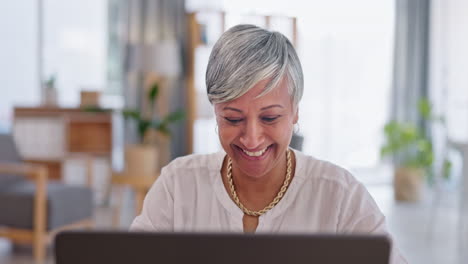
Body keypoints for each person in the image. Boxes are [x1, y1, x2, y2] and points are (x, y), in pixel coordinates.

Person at [130, 24, 407, 263]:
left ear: (295, 111)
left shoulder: (339, 195)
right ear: (215, 111)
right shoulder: (178, 185)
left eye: (270, 117)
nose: (252, 138)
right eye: (233, 118)